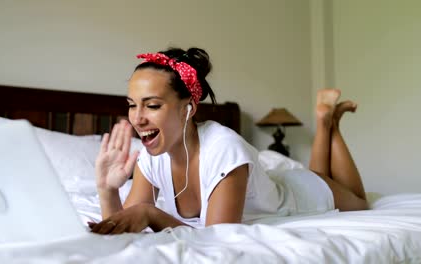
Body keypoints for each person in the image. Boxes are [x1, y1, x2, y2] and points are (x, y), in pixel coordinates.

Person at [89, 47, 368, 234]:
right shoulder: (150, 156)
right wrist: (107, 190)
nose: (137, 119)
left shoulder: (224, 148)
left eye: (151, 105)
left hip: (302, 196)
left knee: (359, 200)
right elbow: (123, 228)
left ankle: (328, 122)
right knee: (318, 171)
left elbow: (218, 242)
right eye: (132, 104)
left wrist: (151, 214)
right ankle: (324, 122)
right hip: (276, 184)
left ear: (189, 108)